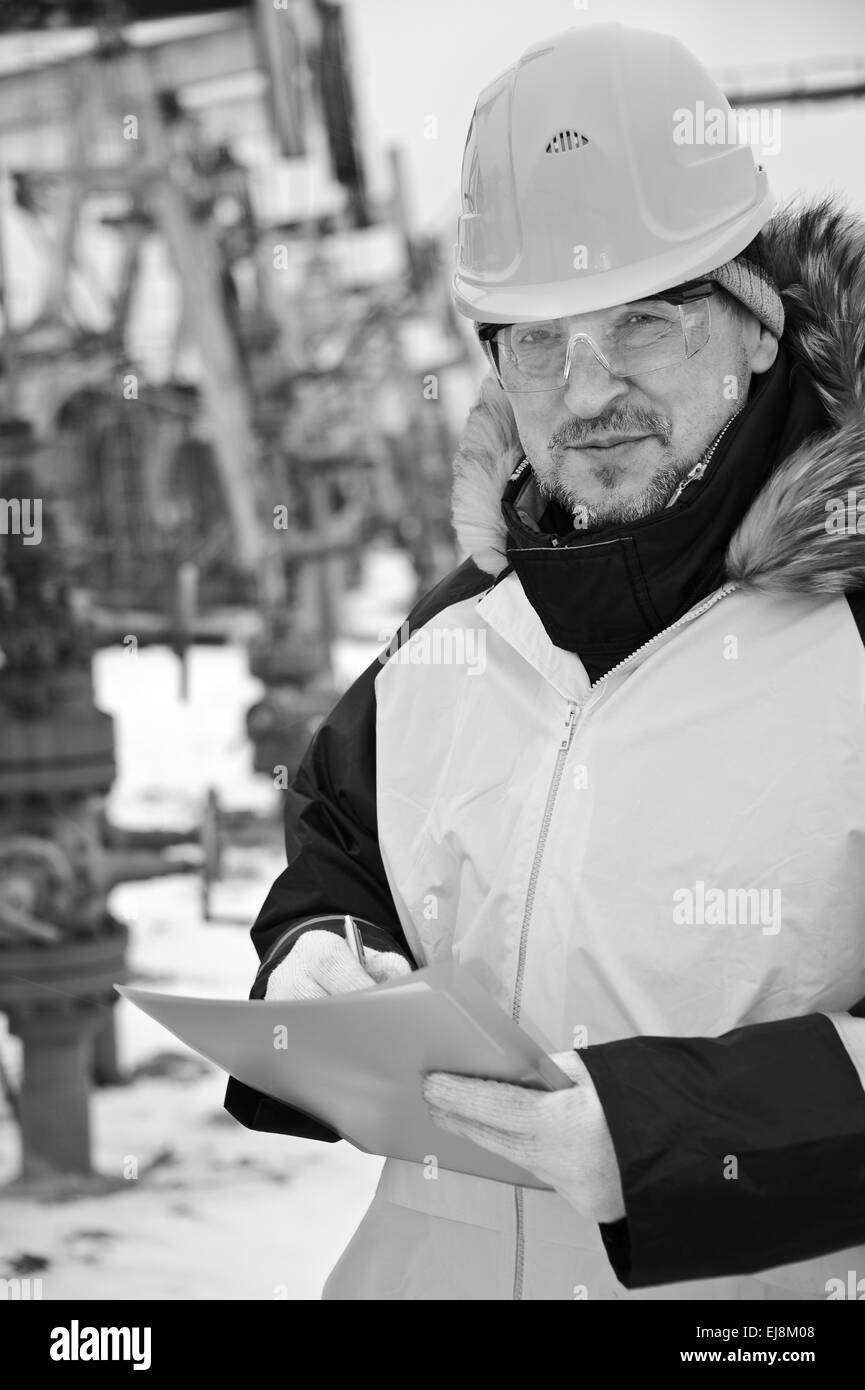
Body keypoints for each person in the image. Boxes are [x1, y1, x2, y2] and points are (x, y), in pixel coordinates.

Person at [225, 22, 865, 1300]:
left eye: (645, 323)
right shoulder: (452, 640)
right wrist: (318, 954)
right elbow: (339, 851)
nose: (586, 393)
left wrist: (675, 1140)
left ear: (755, 329)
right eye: (536, 339)